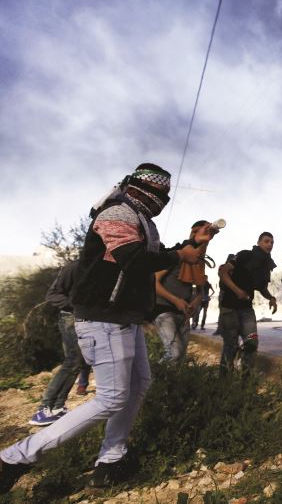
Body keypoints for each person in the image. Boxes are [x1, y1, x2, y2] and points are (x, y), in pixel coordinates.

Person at [0, 163, 209, 492]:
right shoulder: (118, 213)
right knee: (111, 399)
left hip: (124, 319)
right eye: (162, 193)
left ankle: (110, 460)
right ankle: (15, 458)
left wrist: (190, 245)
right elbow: (134, 260)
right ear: (144, 189)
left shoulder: (141, 219)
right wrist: (179, 255)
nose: (164, 200)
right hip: (104, 319)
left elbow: (155, 256)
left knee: (138, 385)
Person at [27, 260, 90, 426]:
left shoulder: (100, 267)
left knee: (78, 362)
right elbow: (53, 294)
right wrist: (76, 306)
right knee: (73, 361)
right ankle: (44, 409)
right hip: (71, 318)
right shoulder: (75, 267)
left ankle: (57, 408)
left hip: (88, 319)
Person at [154, 220, 217, 363]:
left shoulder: (199, 263)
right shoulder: (177, 254)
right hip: (164, 311)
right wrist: (176, 300)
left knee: (180, 358)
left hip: (184, 315)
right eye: (195, 232)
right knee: (174, 353)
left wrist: (194, 303)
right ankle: (153, 375)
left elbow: (200, 291)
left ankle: (165, 378)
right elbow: (154, 283)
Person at [217, 232, 277, 373]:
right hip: (230, 307)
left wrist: (271, 298)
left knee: (251, 343)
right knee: (231, 345)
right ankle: (223, 379)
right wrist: (237, 291)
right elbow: (223, 273)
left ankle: (245, 379)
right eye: (266, 241)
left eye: (272, 242)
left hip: (247, 309)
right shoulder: (245, 255)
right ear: (259, 243)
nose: (270, 244)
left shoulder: (265, 265)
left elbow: (261, 288)